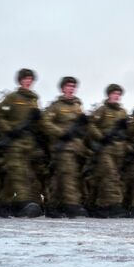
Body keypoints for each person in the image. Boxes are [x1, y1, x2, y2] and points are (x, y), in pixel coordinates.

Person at [0, 69, 44, 218]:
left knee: (15, 175)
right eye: (26, 79)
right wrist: (9, 130)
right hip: (14, 141)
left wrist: (38, 119)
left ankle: (2, 204)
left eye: (30, 79)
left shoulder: (34, 99)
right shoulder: (12, 97)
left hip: (29, 142)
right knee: (17, 172)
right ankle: (24, 203)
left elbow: (37, 122)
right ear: (20, 81)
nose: (28, 81)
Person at [41, 76, 90, 218]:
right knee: (68, 175)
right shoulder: (56, 106)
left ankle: (54, 206)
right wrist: (61, 132)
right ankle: (71, 205)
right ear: (63, 88)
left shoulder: (77, 106)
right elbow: (45, 122)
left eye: (73, 86)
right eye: (68, 86)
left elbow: (83, 126)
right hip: (62, 147)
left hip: (77, 147)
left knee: (61, 177)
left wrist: (83, 127)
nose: (71, 89)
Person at [87, 84, 129, 218]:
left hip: (119, 149)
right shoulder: (102, 110)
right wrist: (101, 136)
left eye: (119, 94)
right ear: (109, 95)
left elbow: (127, 130)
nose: (117, 96)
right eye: (114, 93)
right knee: (110, 176)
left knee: (112, 177)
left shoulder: (122, 112)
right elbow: (91, 125)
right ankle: (115, 205)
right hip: (106, 149)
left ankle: (101, 205)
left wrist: (124, 132)